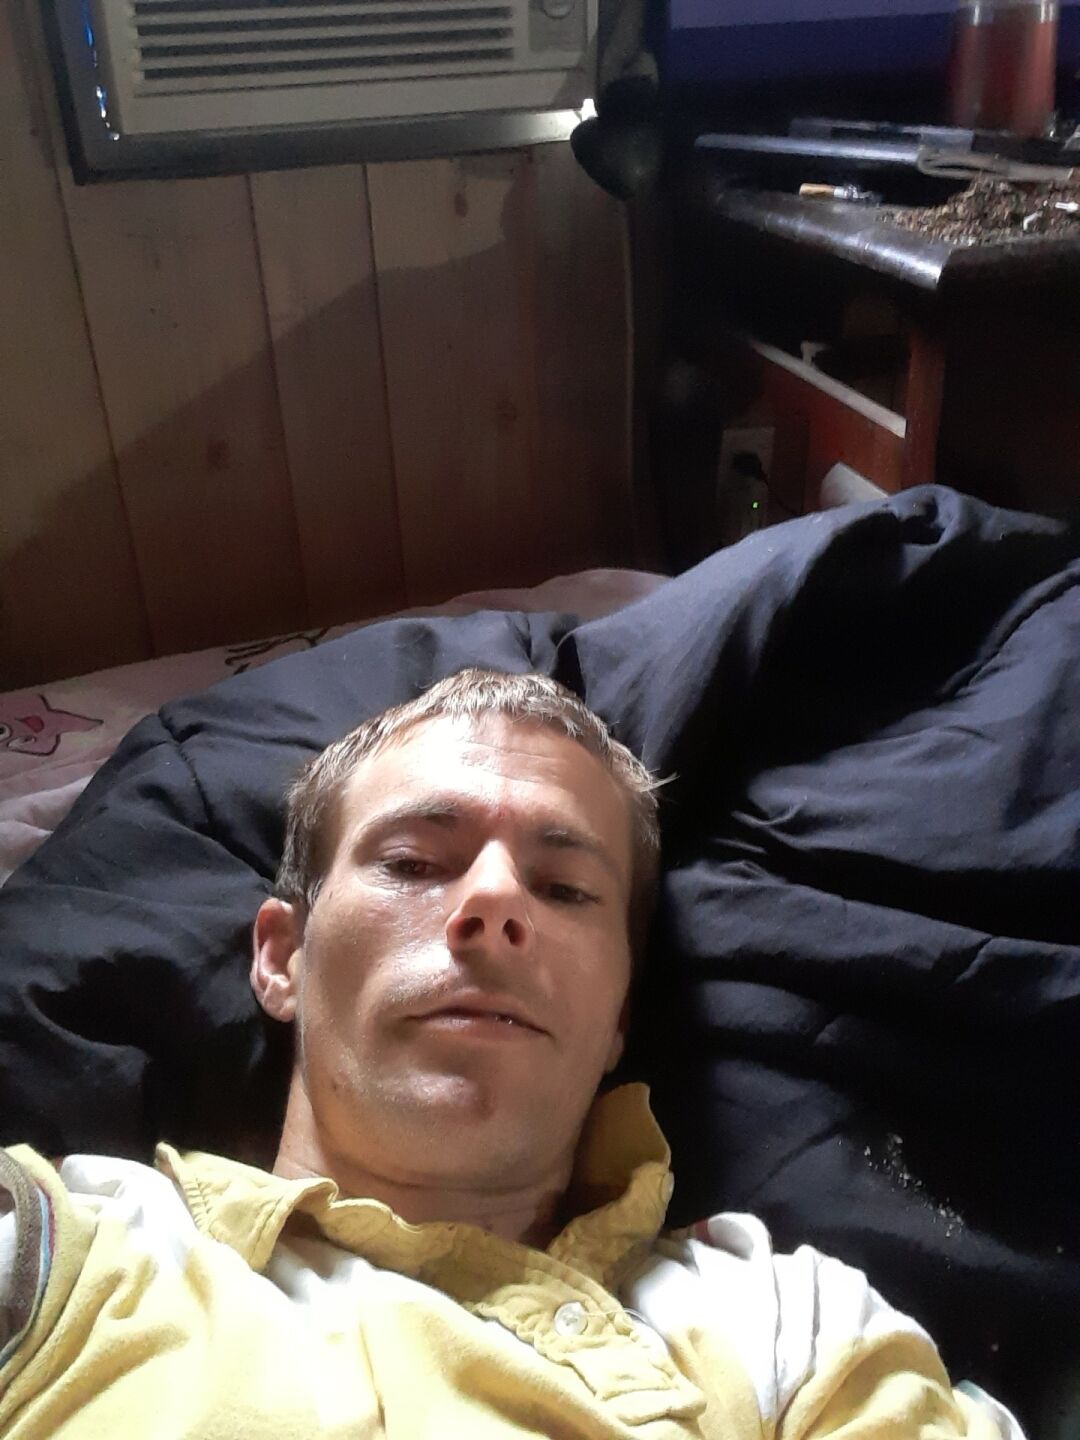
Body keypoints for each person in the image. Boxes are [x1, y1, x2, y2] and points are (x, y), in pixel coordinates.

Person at [0, 669, 1024, 1438]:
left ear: (620, 1014)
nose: (493, 901)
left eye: (566, 889)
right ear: (282, 957)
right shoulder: (69, 1254)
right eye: (414, 862)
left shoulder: (788, 1326)